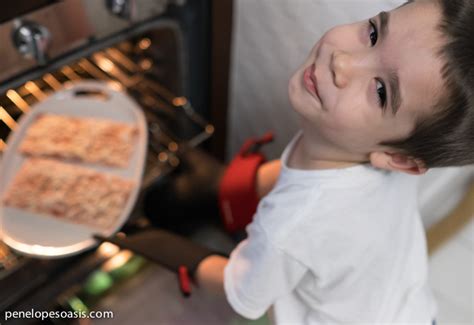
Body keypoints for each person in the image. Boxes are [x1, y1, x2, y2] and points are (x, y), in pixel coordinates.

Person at [116, 0, 473, 323]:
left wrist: (164, 248)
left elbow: (242, 290)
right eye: (374, 33)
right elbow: (303, 173)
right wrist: (223, 186)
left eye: (381, 91)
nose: (343, 62)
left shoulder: (292, 227)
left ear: (399, 159)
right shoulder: (366, 147)